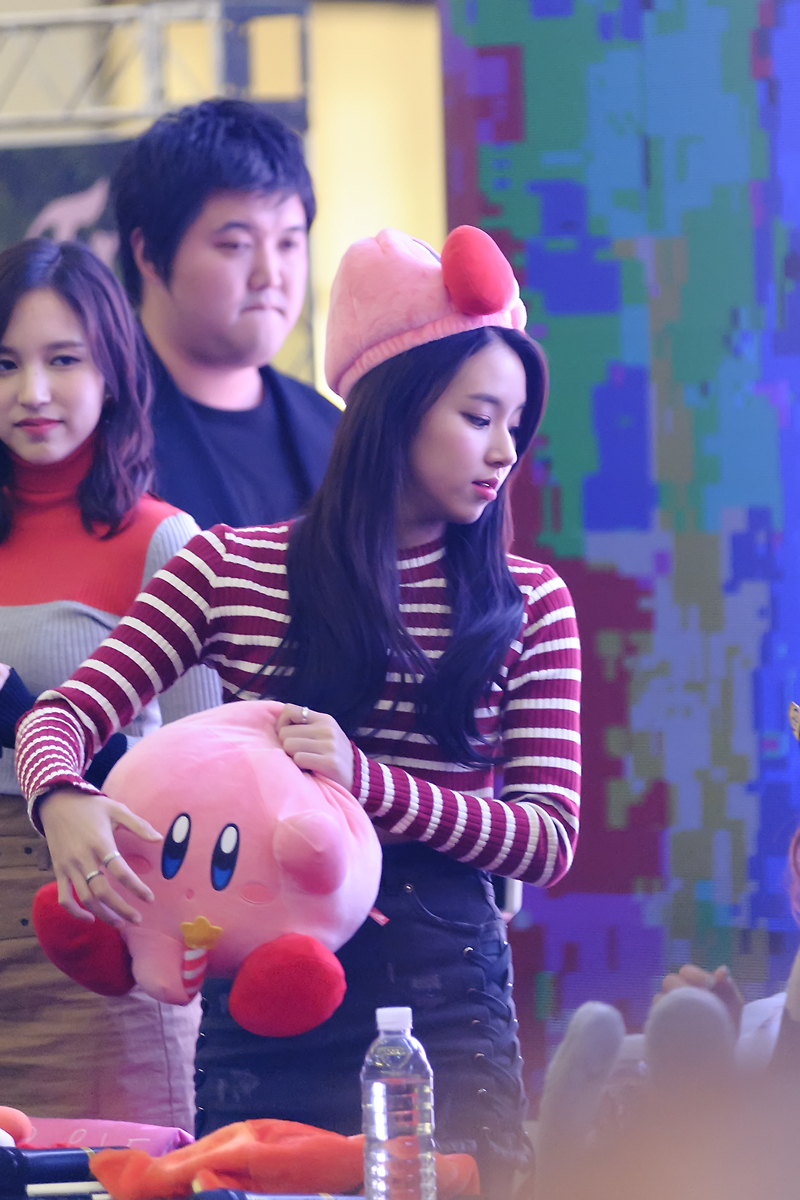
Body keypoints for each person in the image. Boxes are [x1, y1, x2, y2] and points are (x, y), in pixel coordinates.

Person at [14, 226, 581, 1199]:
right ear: (393, 408)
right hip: (263, 1006)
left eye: (514, 424)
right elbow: (59, 718)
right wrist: (61, 799)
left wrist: (367, 785)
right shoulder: (229, 569)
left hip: (445, 1007)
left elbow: (548, 840)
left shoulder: (530, 601)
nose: (502, 452)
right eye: (476, 416)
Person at [0, 238, 221, 1126]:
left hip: (102, 928)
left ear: (113, 372)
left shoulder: (165, 542)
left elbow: (202, 784)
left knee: (114, 1171)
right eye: (5, 364)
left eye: (63, 360)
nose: (32, 391)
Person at [112, 98, 341, 530]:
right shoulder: (95, 432)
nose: (270, 275)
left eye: (288, 244)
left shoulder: (335, 432)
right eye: (236, 245)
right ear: (149, 254)